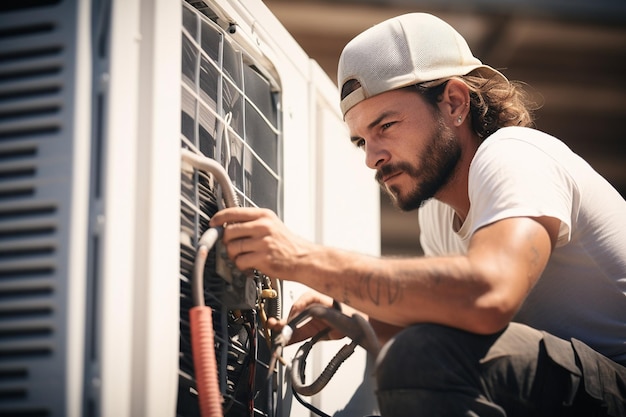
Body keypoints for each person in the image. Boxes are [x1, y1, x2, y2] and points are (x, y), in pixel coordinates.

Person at [209, 12, 626, 416]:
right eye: (361, 142)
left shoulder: (513, 153)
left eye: (386, 126)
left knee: (421, 355)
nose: (372, 158)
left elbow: (487, 296)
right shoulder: (438, 217)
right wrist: (358, 314)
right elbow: (455, 335)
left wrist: (302, 259)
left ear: (454, 103)